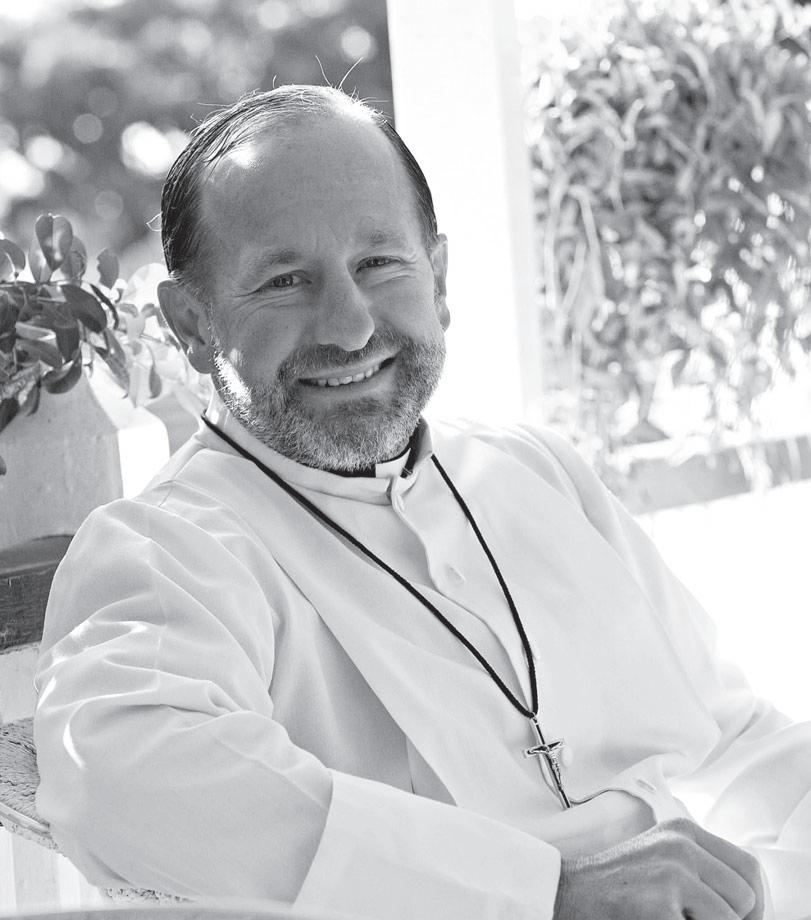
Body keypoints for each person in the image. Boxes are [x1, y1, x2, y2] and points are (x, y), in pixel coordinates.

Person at [33, 85, 810, 920]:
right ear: (190, 324)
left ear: (436, 277)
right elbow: (123, 773)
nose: (348, 327)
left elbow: (734, 738)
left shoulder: (535, 469)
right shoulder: (166, 547)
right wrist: (545, 894)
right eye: (285, 281)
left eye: (378, 264)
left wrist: (766, 885)